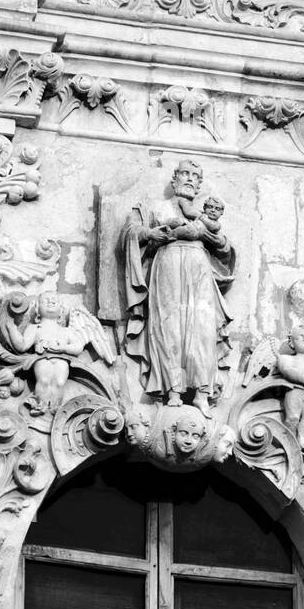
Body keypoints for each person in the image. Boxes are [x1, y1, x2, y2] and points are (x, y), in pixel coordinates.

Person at [122, 161, 235, 417]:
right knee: (168, 325)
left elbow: (225, 249)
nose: (190, 179)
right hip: (168, 263)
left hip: (199, 267)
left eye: (196, 176)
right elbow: (131, 232)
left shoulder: (205, 214)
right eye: (185, 174)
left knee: (203, 328)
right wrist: (151, 234)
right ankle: (172, 389)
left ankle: (202, 393)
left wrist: (208, 237)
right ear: (174, 179)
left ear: (199, 185)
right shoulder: (154, 206)